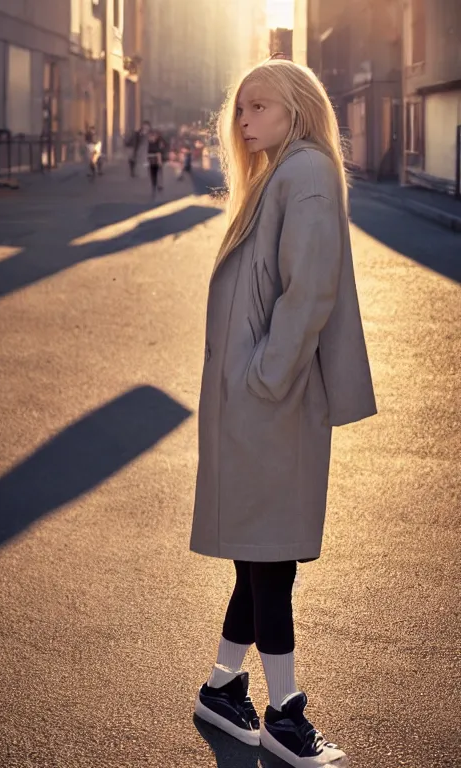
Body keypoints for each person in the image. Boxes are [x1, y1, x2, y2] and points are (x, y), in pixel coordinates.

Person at [189, 58, 377, 766]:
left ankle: (267, 706)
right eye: (239, 110)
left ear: (297, 107)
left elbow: (308, 293)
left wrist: (264, 377)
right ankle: (250, 699)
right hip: (260, 401)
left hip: (269, 399)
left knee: (267, 556)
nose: (243, 122)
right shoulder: (284, 172)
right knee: (263, 559)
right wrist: (260, 381)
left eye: (257, 107)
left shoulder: (304, 172)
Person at [146, 130, 163, 198]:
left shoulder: (156, 143)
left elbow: (158, 153)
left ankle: (157, 185)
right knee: (152, 173)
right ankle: (155, 185)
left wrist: (159, 161)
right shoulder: (149, 143)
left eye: (152, 136)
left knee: (156, 173)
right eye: (150, 137)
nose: (151, 138)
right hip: (151, 161)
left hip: (155, 160)